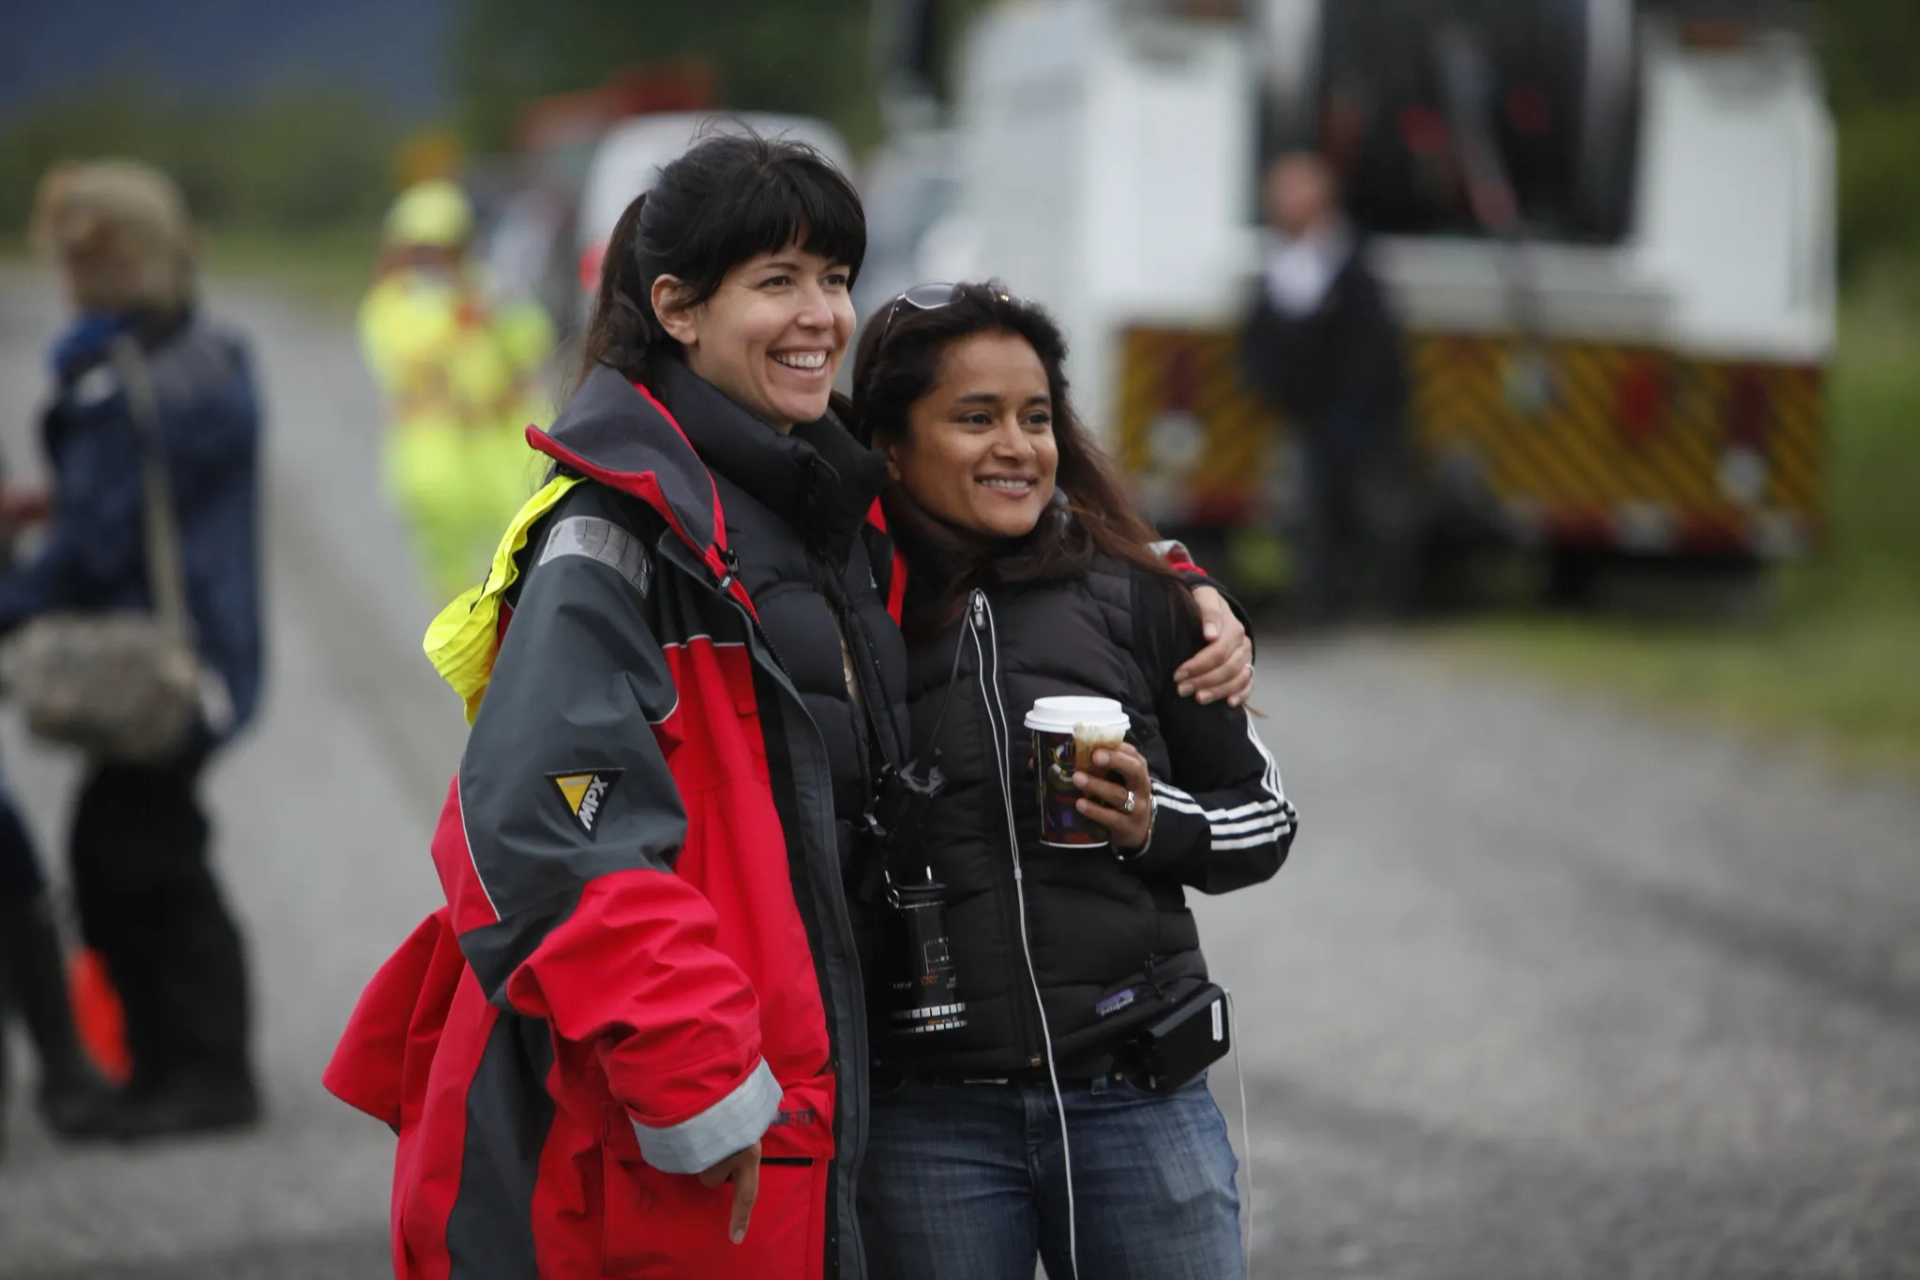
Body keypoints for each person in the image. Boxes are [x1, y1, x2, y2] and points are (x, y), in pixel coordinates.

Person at [325, 133, 1253, 1278]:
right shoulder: (622, 540)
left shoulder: (826, 508)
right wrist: (704, 1087)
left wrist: (1183, 587)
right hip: (693, 1124)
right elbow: (546, 834)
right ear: (677, 308)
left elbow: (1020, 521)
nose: (820, 314)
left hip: (815, 1106)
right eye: (777, 282)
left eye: (833, 278)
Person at [848, 283, 1295, 1280]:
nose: (1017, 443)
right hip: (929, 1121)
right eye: (975, 418)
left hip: (1137, 1098)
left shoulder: (1138, 592)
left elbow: (1266, 819)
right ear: (888, 442)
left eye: (1036, 415)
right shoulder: (839, 605)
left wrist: (1155, 821)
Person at [0, 160, 264, 1140]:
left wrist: (12, 593)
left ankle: (199, 1076)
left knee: (135, 864)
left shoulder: (118, 379)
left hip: (164, 664)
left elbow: (100, 541)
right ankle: (171, 1070)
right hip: (210, 644)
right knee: (145, 851)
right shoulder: (206, 350)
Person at [1240, 151, 1417, 623]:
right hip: (1309, 418)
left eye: (1287, 192)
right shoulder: (1286, 265)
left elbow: (1373, 347)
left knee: (1377, 513)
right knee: (1310, 517)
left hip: (1360, 419)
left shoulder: (1349, 262)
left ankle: (1388, 605)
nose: (1276, 203)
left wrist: (1355, 408)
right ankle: (1319, 605)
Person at [359, 179, 555, 601]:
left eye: (444, 247)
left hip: (501, 439)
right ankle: (467, 647)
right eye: (422, 249)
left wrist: (498, 312)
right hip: (435, 447)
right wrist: (455, 316)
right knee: (450, 573)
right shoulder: (391, 300)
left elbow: (532, 341)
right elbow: (402, 357)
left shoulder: (489, 288)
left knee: (529, 548)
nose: (433, 259)